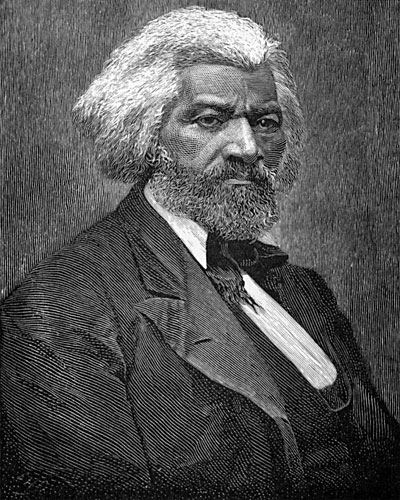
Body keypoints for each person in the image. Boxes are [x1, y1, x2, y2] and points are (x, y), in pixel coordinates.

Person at [1, 6, 399, 500]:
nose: (248, 148)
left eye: (265, 122)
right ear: (146, 135)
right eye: (210, 120)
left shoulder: (302, 289)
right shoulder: (59, 308)